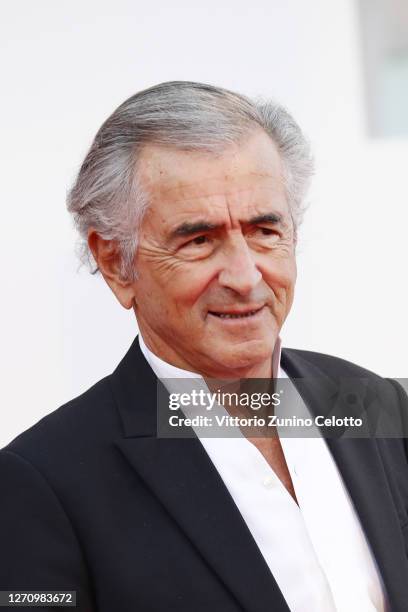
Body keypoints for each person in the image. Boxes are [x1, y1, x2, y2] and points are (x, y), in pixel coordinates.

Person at [1, 81, 407, 612]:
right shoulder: (42, 486)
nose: (244, 275)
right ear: (114, 262)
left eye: (265, 230)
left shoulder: (373, 404)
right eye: (198, 240)